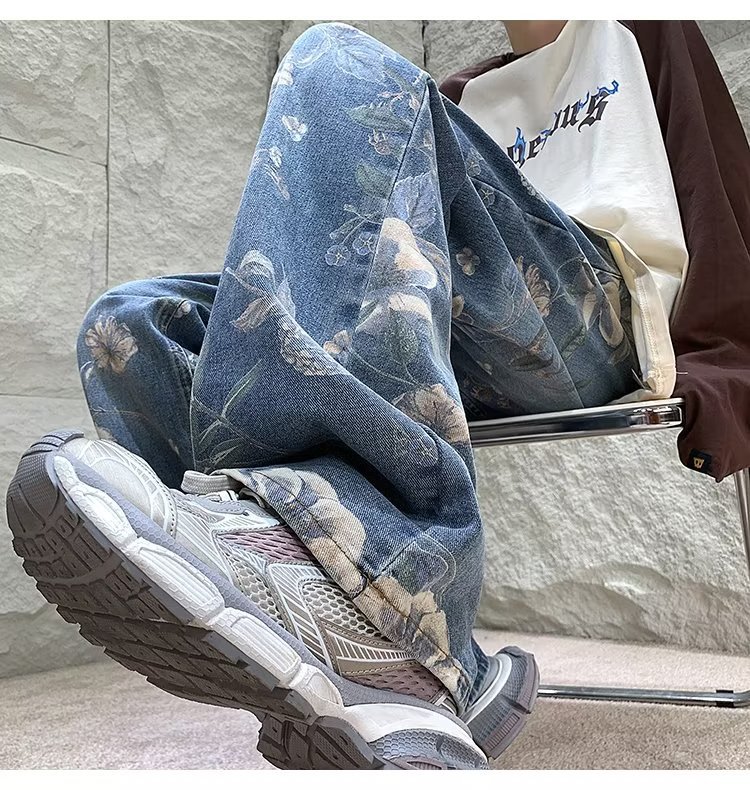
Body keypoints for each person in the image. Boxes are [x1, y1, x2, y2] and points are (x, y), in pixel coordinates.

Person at [7, 19, 748, 770]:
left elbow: (719, 190)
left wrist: (725, 365)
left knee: (339, 65)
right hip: (454, 336)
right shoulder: (464, 94)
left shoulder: (642, 31)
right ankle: (368, 646)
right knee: (136, 321)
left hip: (596, 319)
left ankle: (362, 588)